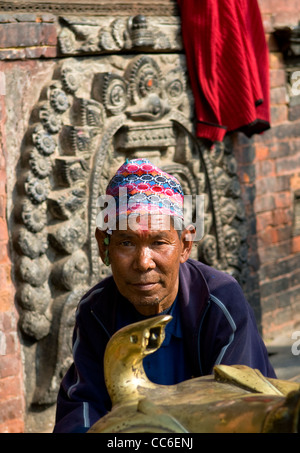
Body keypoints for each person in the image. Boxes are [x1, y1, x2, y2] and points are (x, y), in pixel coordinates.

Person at [53, 158, 276, 433]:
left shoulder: (219, 300)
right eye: (126, 242)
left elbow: (238, 407)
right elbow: (84, 404)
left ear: (185, 245)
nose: (144, 262)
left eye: (159, 242)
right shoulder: (96, 309)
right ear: (104, 246)